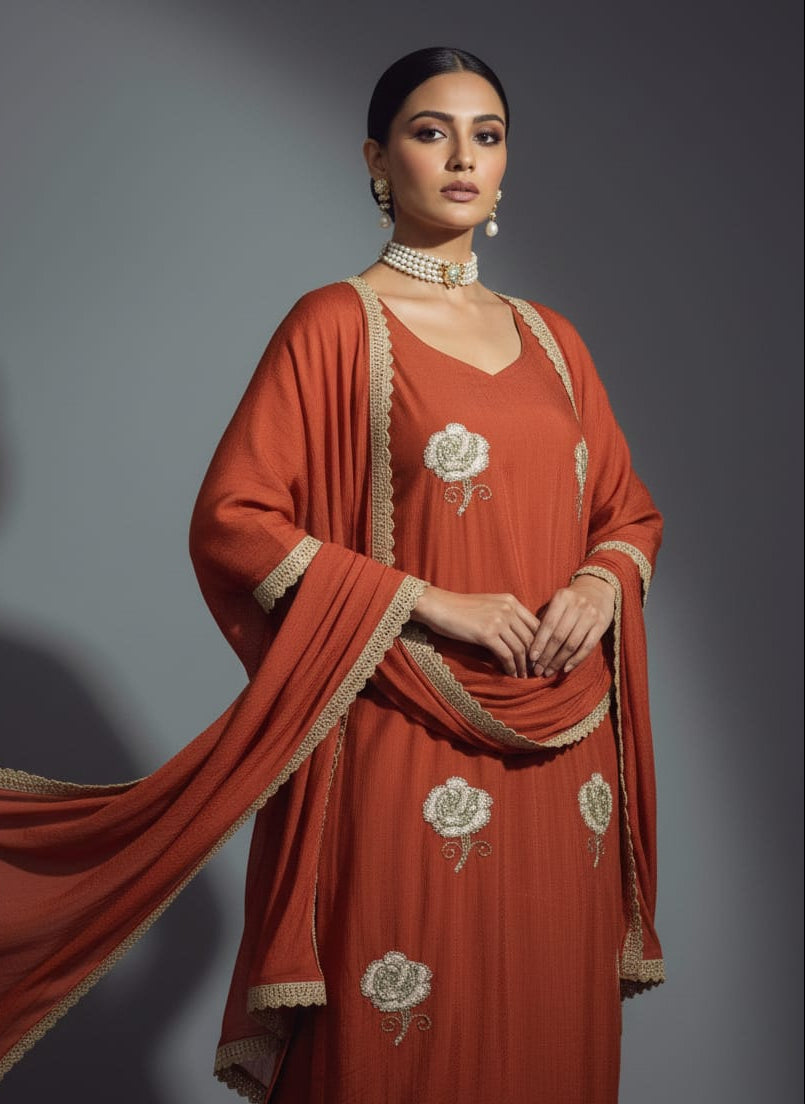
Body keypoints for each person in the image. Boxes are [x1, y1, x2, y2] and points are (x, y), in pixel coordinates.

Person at [0, 47, 663, 1104]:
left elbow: (625, 512)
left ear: (504, 165)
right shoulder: (336, 325)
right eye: (429, 131)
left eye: (484, 135)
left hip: (560, 760)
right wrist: (432, 601)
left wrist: (595, 587)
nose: (460, 157)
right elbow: (236, 522)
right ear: (376, 158)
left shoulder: (554, 343)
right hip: (401, 735)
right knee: (403, 1039)